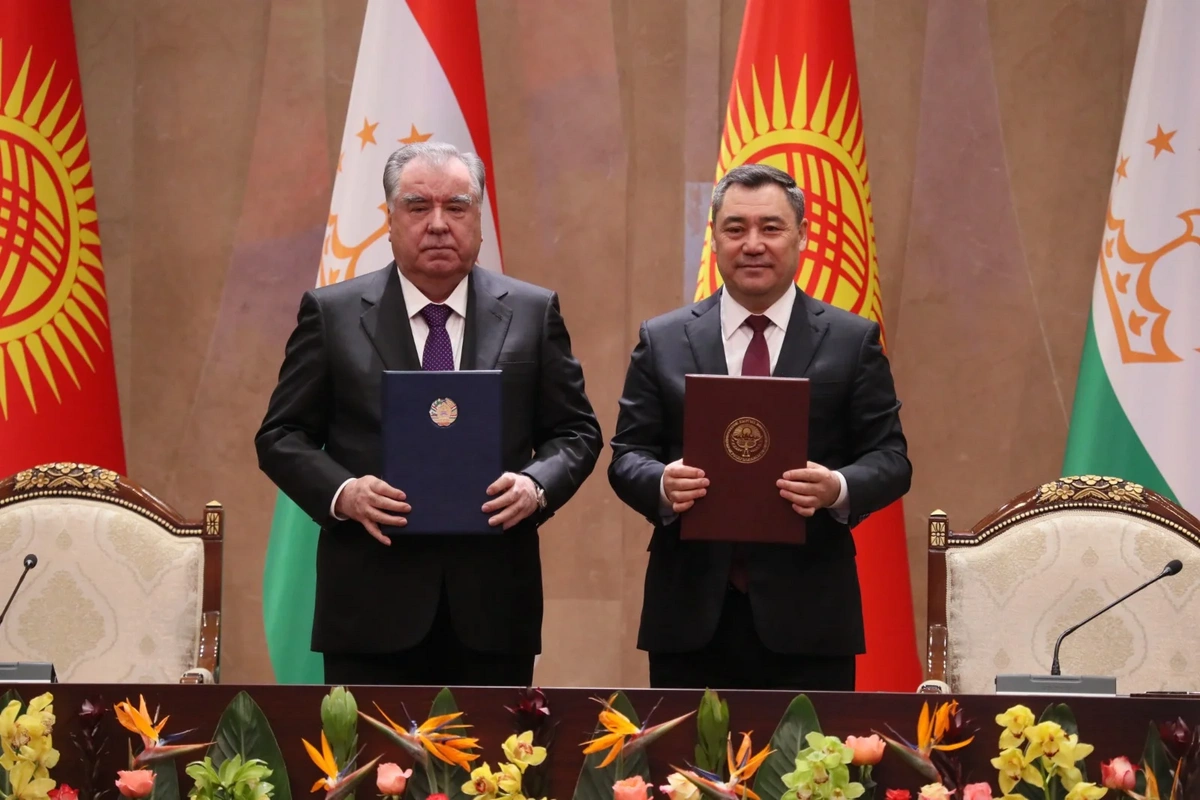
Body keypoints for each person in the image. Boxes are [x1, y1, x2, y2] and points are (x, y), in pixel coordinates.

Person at [256, 141, 602, 686]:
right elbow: (281, 435)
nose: (438, 224)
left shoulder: (532, 313)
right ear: (390, 220)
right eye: (418, 206)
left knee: (492, 746)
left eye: (456, 207)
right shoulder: (332, 314)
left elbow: (576, 431)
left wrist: (536, 486)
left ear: (479, 219)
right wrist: (343, 492)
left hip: (493, 607)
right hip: (369, 606)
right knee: (368, 747)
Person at [608, 163, 911, 690]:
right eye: (735, 228)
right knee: (687, 749)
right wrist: (661, 482)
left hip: (811, 614)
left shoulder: (852, 340)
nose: (753, 244)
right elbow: (627, 455)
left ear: (802, 235)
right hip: (690, 613)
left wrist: (836, 487)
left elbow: (891, 459)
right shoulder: (663, 339)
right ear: (714, 237)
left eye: (771, 228)